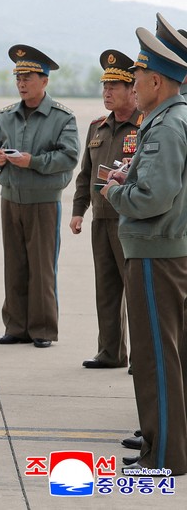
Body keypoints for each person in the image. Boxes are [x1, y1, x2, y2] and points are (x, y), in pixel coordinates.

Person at [102, 25, 187, 476]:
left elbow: (153, 198)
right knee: (171, 355)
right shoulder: (175, 118)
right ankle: (171, 448)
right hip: (169, 249)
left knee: (156, 358)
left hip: (156, 252)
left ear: (156, 80)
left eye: (137, 77)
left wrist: (115, 192)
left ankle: (164, 457)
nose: (132, 85)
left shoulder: (166, 126)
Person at [0, 44, 79, 349]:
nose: (21, 84)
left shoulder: (61, 117)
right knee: (15, 265)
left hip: (43, 201)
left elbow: (69, 156)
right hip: (11, 198)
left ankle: (43, 329)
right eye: (18, 78)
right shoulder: (6, 116)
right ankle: (16, 327)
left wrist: (32, 161)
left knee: (42, 267)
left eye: (28, 78)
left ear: (44, 81)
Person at [69, 49, 139, 369]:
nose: (107, 92)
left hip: (132, 220)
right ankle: (110, 352)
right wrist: (78, 210)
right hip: (101, 219)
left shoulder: (144, 126)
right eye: (105, 87)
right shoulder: (97, 127)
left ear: (131, 89)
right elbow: (85, 174)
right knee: (106, 288)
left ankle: (141, 357)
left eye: (114, 87)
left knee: (135, 291)